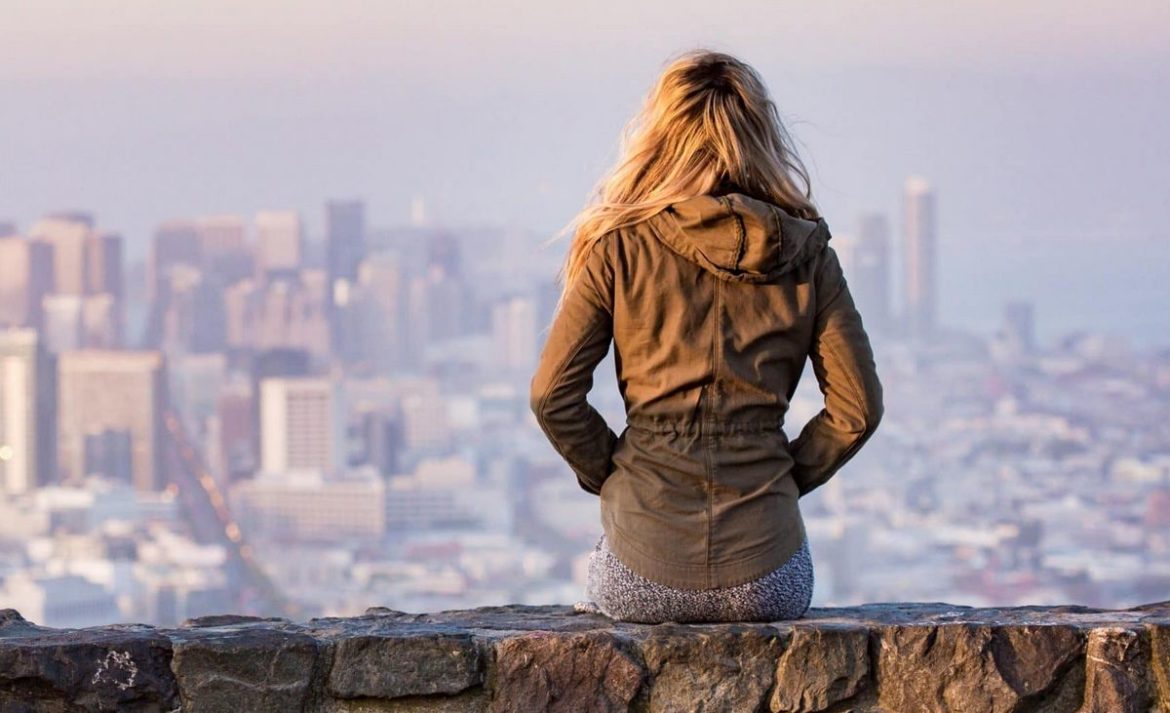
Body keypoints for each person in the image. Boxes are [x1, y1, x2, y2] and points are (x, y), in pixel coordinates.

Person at [528, 47, 884, 624]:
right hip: (770, 575)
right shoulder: (809, 252)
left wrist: (616, 474)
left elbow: (551, 397)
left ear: (660, 136)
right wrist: (782, 478)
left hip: (640, 569)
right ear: (761, 136)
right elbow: (858, 409)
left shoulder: (617, 246)